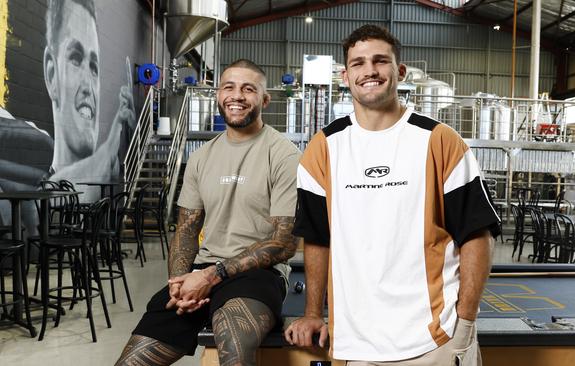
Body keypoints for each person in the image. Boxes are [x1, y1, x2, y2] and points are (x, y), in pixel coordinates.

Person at [284, 25, 500, 365]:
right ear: (345, 75)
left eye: (380, 61)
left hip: (435, 340)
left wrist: (465, 324)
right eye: (358, 63)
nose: (369, 71)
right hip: (355, 344)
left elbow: (477, 235)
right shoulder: (322, 148)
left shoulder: (440, 141)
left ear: (399, 71)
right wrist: (313, 312)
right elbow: (316, 238)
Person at [115, 59, 301, 366]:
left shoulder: (284, 156)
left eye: (248, 89)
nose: (237, 95)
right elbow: (186, 228)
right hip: (201, 270)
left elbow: (284, 243)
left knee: (234, 354)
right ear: (218, 95)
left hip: (256, 276)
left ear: (264, 100)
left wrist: (212, 275)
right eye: (229, 87)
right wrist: (178, 283)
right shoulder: (201, 158)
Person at [43, 0, 135, 200]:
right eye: (75, 58)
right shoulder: (32, 200)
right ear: (51, 75)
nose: (88, 86)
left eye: (94, 66)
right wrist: (109, 147)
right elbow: (48, 198)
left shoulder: (109, 170)